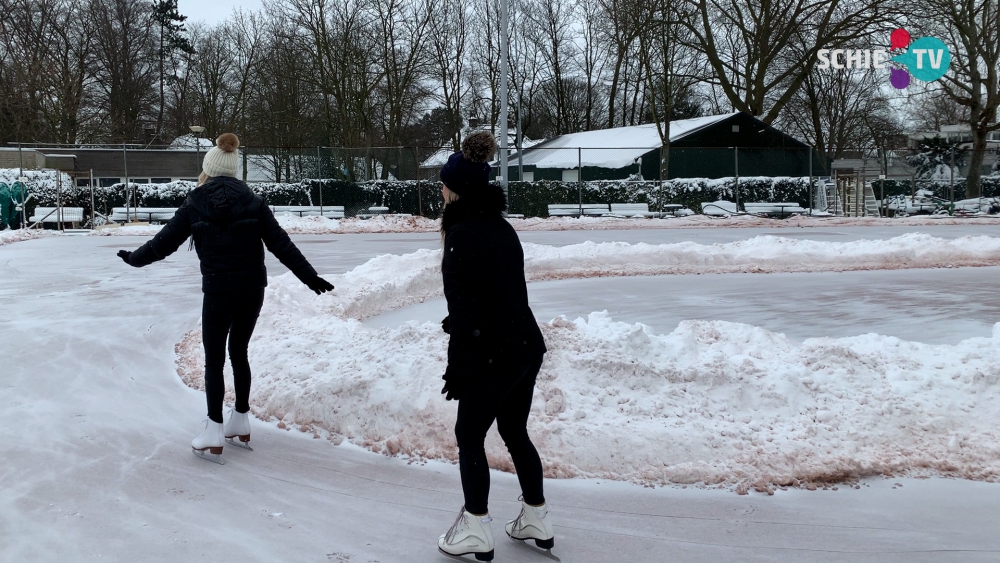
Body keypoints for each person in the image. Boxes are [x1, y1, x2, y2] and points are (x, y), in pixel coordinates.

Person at [116, 133, 334, 464]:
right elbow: (281, 244)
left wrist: (134, 258)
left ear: (208, 167)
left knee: (215, 359)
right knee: (239, 352)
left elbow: (163, 243)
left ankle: (214, 430)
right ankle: (240, 420)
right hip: (251, 290)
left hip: (218, 291)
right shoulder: (253, 201)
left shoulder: (195, 202)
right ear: (233, 170)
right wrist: (309, 276)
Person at [435, 131, 553, 561]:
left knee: (469, 434)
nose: (441, 190)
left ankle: (475, 528)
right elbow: (497, 294)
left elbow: (465, 309)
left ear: (457, 189)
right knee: (513, 429)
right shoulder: (500, 226)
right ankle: (536, 517)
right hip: (524, 345)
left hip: (494, 350)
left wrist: (460, 364)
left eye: (444, 184)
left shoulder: (462, 233)